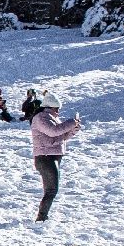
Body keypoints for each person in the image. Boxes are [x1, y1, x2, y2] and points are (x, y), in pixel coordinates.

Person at [30, 90, 82, 222]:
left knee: (52, 190)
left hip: (51, 156)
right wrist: (71, 122)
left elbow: (60, 137)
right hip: (46, 157)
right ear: (50, 107)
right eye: (57, 108)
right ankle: (41, 218)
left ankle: (42, 217)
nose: (58, 111)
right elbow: (53, 132)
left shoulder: (51, 118)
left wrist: (72, 131)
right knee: (51, 190)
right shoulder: (41, 118)